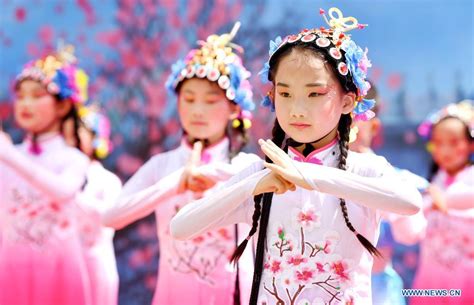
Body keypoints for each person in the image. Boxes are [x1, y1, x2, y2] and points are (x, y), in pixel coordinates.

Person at [171, 8, 422, 305]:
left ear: (347, 101)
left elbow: (410, 203)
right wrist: (251, 186)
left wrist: (311, 176)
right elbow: (180, 227)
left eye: (314, 94)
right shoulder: (263, 172)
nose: (296, 109)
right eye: (285, 94)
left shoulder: (364, 168)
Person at [103, 23, 258, 305]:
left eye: (211, 101)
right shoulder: (162, 165)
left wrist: (215, 174)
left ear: (234, 109)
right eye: (188, 99)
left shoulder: (247, 165)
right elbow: (110, 217)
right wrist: (176, 184)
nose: (197, 110)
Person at [0, 46, 92, 305]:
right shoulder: (7, 156)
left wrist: (7, 155)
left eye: (37, 95)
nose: (25, 104)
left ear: (63, 106)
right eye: (20, 96)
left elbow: (63, 191)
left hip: (59, 273)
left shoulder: (74, 159)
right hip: (10, 272)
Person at [349, 84, 427, 305]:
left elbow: (411, 233)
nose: (347, 125)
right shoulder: (315, 170)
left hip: (377, 290)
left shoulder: (393, 175)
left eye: (355, 116)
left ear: (373, 126)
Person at [411, 100, 473, 305]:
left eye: (454, 142)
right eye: (438, 142)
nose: (445, 150)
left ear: (471, 143)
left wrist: (440, 201)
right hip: (432, 277)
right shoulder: (432, 183)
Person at [65, 104, 122, 305]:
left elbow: (110, 218)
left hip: (95, 263)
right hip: (63, 265)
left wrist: (71, 194)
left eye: (78, 131)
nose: (71, 138)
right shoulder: (56, 174)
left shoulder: (108, 180)